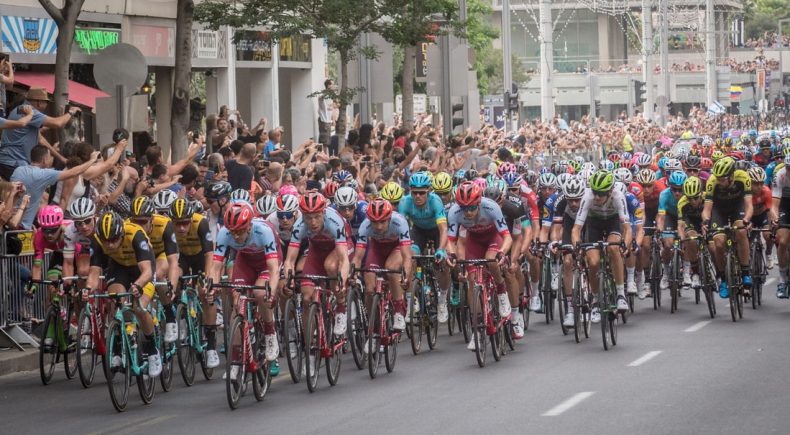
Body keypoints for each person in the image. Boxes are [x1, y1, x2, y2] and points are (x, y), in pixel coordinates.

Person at [84, 211, 161, 377]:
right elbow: (94, 272)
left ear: (121, 233)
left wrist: (138, 285)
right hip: (119, 268)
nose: (110, 245)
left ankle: (152, 350)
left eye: (113, 240)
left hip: (142, 268)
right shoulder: (98, 240)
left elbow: (147, 271)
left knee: (139, 308)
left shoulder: (135, 234)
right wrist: (88, 289)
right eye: (106, 241)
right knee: (114, 300)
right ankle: (118, 347)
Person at [352, 199, 413, 332]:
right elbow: (358, 256)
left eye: (382, 222)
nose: (378, 226)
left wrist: (406, 276)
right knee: (369, 288)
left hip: (396, 248)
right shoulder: (365, 226)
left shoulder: (400, 222)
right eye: (374, 222)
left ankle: (398, 312)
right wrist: (353, 274)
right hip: (377, 249)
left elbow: (407, 256)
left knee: (391, 269)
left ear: (389, 218)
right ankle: (373, 327)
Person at [10, 145, 98, 229]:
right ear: (44, 160)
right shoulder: (43, 174)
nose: (51, 159)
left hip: (9, 221)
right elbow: (73, 173)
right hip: (23, 226)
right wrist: (92, 160)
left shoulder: (18, 170)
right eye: (50, 157)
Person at [0, 87, 79, 180]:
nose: (46, 105)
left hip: (9, 161)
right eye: (46, 102)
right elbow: (57, 123)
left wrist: (61, 158)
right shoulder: (31, 112)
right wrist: (71, 112)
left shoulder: (21, 110)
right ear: (39, 102)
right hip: (14, 163)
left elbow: (40, 138)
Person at [318, 79, 335, 147]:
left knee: (327, 141)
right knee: (323, 141)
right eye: (332, 84)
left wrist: (333, 120)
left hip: (328, 121)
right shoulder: (323, 96)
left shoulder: (331, 97)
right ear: (328, 86)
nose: (333, 86)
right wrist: (328, 91)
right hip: (324, 120)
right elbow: (321, 97)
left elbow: (332, 109)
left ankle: (326, 155)